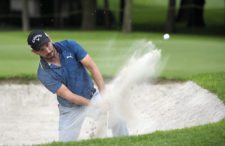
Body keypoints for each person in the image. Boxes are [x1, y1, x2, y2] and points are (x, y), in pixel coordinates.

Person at [27, 30, 128, 142]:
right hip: (70, 109)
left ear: (50, 39)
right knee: (65, 143)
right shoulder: (43, 73)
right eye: (41, 49)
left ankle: (125, 143)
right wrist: (95, 105)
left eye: (47, 45)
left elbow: (93, 68)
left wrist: (104, 97)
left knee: (118, 116)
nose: (48, 50)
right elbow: (70, 96)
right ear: (35, 52)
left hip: (92, 96)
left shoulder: (69, 45)